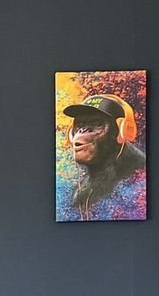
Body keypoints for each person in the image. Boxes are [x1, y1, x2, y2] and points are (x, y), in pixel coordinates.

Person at [60, 93, 147, 221]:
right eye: (80, 124)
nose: (82, 131)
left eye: (96, 123)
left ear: (122, 131)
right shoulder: (83, 184)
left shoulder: (138, 177)